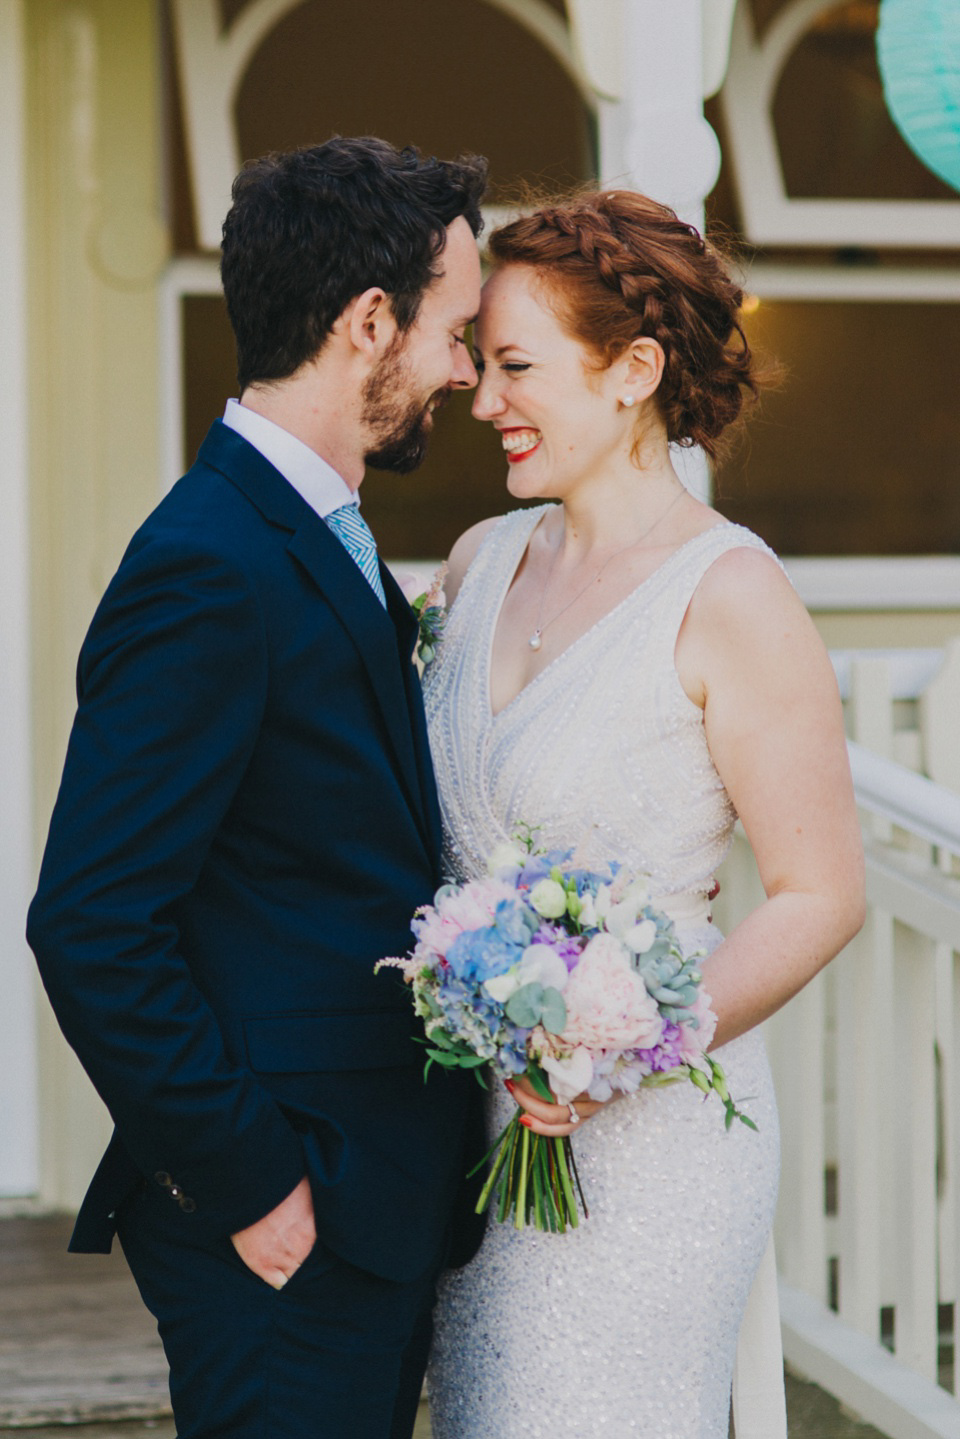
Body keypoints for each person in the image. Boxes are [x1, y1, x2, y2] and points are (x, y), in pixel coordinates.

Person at [27, 136, 488, 1439]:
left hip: (373, 1207)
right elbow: (91, 920)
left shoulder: (318, 533)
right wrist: (254, 1182)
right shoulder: (210, 563)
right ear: (367, 321)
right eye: (453, 330)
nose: (462, 367)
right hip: (285, 1218)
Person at [423, 189, 865, 1438]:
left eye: (516, 366)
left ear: (633, 371)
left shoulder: (730, 596)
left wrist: (621, 1054)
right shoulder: (475, 563)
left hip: (653, 1148)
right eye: (480, 362)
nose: (482, 395)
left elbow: (823, 891)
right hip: (471, 1128)